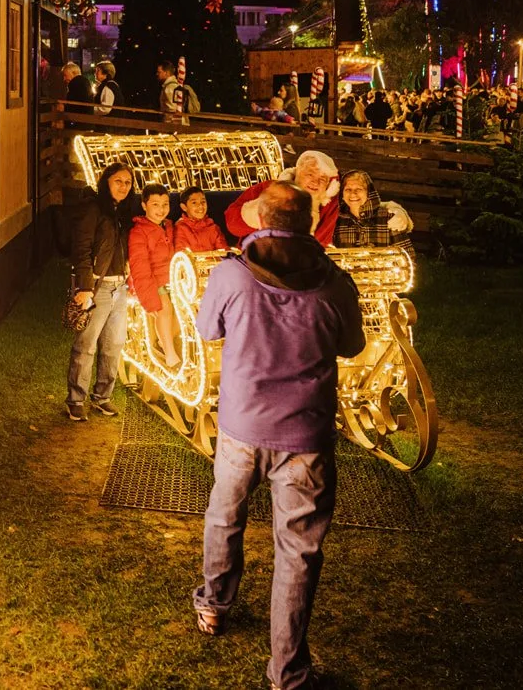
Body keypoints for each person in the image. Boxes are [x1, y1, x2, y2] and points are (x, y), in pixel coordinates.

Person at [192, 182, 365, 690]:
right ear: (309, 223)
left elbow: (206, 330)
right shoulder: (335, 284)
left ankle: (214, 604)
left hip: (241, 428)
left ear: (259, 219)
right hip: (305, 436)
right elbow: (352, 345)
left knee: (224, 516)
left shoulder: (231, 274)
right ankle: (287, 672)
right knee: (298, 552)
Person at [66, 162, 134, 421]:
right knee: (86, 345)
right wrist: (85, 287)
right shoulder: (93, 208)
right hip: (97, 287)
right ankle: (76, 400)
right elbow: (81, 248)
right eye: (118, 181)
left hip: (120, 287)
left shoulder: (124, 212)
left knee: (114, 344)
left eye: (128, 182)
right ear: (106, 182)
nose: (123, 186)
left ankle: (102, 397)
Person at [225, 150, 341, 246]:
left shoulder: (330, 204)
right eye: (310, 174)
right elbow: (233, 225)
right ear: (297, 171)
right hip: (258, 258)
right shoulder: (269, 188)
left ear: (329, 185)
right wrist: (269, 206)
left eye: (322, 179)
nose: (315, 182)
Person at [129, 183, 181, 369]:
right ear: (144, 205)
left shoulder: (170, 226)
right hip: (153, 281)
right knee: (164, 308)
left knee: (184, 313)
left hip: (173, 279)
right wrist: (149, 300)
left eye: (165, 204)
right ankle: (170, 356)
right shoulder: (139, 232)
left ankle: (162, 340)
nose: (161, 209)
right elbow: (140, 267)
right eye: (155, 204)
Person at [334, 170, 412, 249]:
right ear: (342, 194)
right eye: (348, 189)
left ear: (369, 192)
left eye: (359, 189)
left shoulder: (388, 217)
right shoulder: (336, 220)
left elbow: (406, 253)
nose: (353, 194)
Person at [175, 186, 228, 252]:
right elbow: (182, 253)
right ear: (184, 207)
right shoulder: (180, 228)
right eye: (194, 203)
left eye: (203, 201)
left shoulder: (213, 228)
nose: (200, 206)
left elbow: (223, 251)